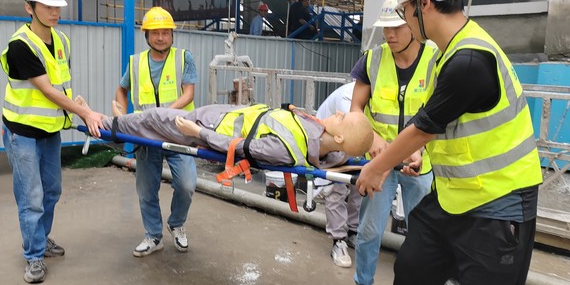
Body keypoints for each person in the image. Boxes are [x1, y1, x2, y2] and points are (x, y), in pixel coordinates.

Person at [356, 0, 542, 285]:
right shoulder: (449, 52)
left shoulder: (469, 59)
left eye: (405, 10)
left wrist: (377, 167)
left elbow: (423, 125)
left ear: (424, 4)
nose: (403, 20)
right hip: (454, 196)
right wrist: (422, 155)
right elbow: (448, 126)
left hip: (500, 202)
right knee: (412, 266)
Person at [0, 0, 106, 285]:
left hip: (50, 130)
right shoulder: (21, 45)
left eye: (57, 6)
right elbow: (46, 90)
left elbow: (60, 86)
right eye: (47, 6)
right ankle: (33, 256)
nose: (54, 11)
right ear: (29, 7)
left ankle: (41, 238)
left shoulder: (61, 41)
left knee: (52, 190)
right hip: (22, 132)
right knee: (31, 196)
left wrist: (78, 104)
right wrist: (85, 112)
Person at [348, 0, 442, 285]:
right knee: (371, 228)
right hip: (381, 163)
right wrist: (371, 138)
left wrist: (422, 149)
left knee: (424, 241)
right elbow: (356, 110)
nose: (389, 34)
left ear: (414, 24)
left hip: (421, 164)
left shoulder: (437, 59)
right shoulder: (372, 60)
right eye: (385, 27)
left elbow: (446, 114)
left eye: (397, 27)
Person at [77, 97, 372, 173]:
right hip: (223, 114)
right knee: (150, 124)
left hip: (208, 127)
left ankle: (102, 121)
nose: (338, 113)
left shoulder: (288, 150)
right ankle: (120, 121)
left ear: (341, 139)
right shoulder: (319, 135)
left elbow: (240, 147)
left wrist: (198, 132)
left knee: (154, 119)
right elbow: (340, 159)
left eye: (343, 118)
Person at [115, 6, 198, 258]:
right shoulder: (136, 62)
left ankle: (176, 223)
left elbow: (188, 94)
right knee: (146, 189)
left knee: (186, 184)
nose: (161, 37)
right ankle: (153, 235)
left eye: (165, 32)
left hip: (178, 133)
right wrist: (122, 116)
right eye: (155, 33)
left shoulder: (184, 58)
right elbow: (122, 89)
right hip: (146, 136)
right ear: (147, 36)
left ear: (172, 35)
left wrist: (163, 115)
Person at [312, 82, 362, 268]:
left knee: (360, 183)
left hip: (352, 140)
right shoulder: (348, 97)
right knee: (337, 187)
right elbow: (348, 131)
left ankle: (353, 231)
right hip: (328, 140)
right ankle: (338, 241)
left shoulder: (377, 95)